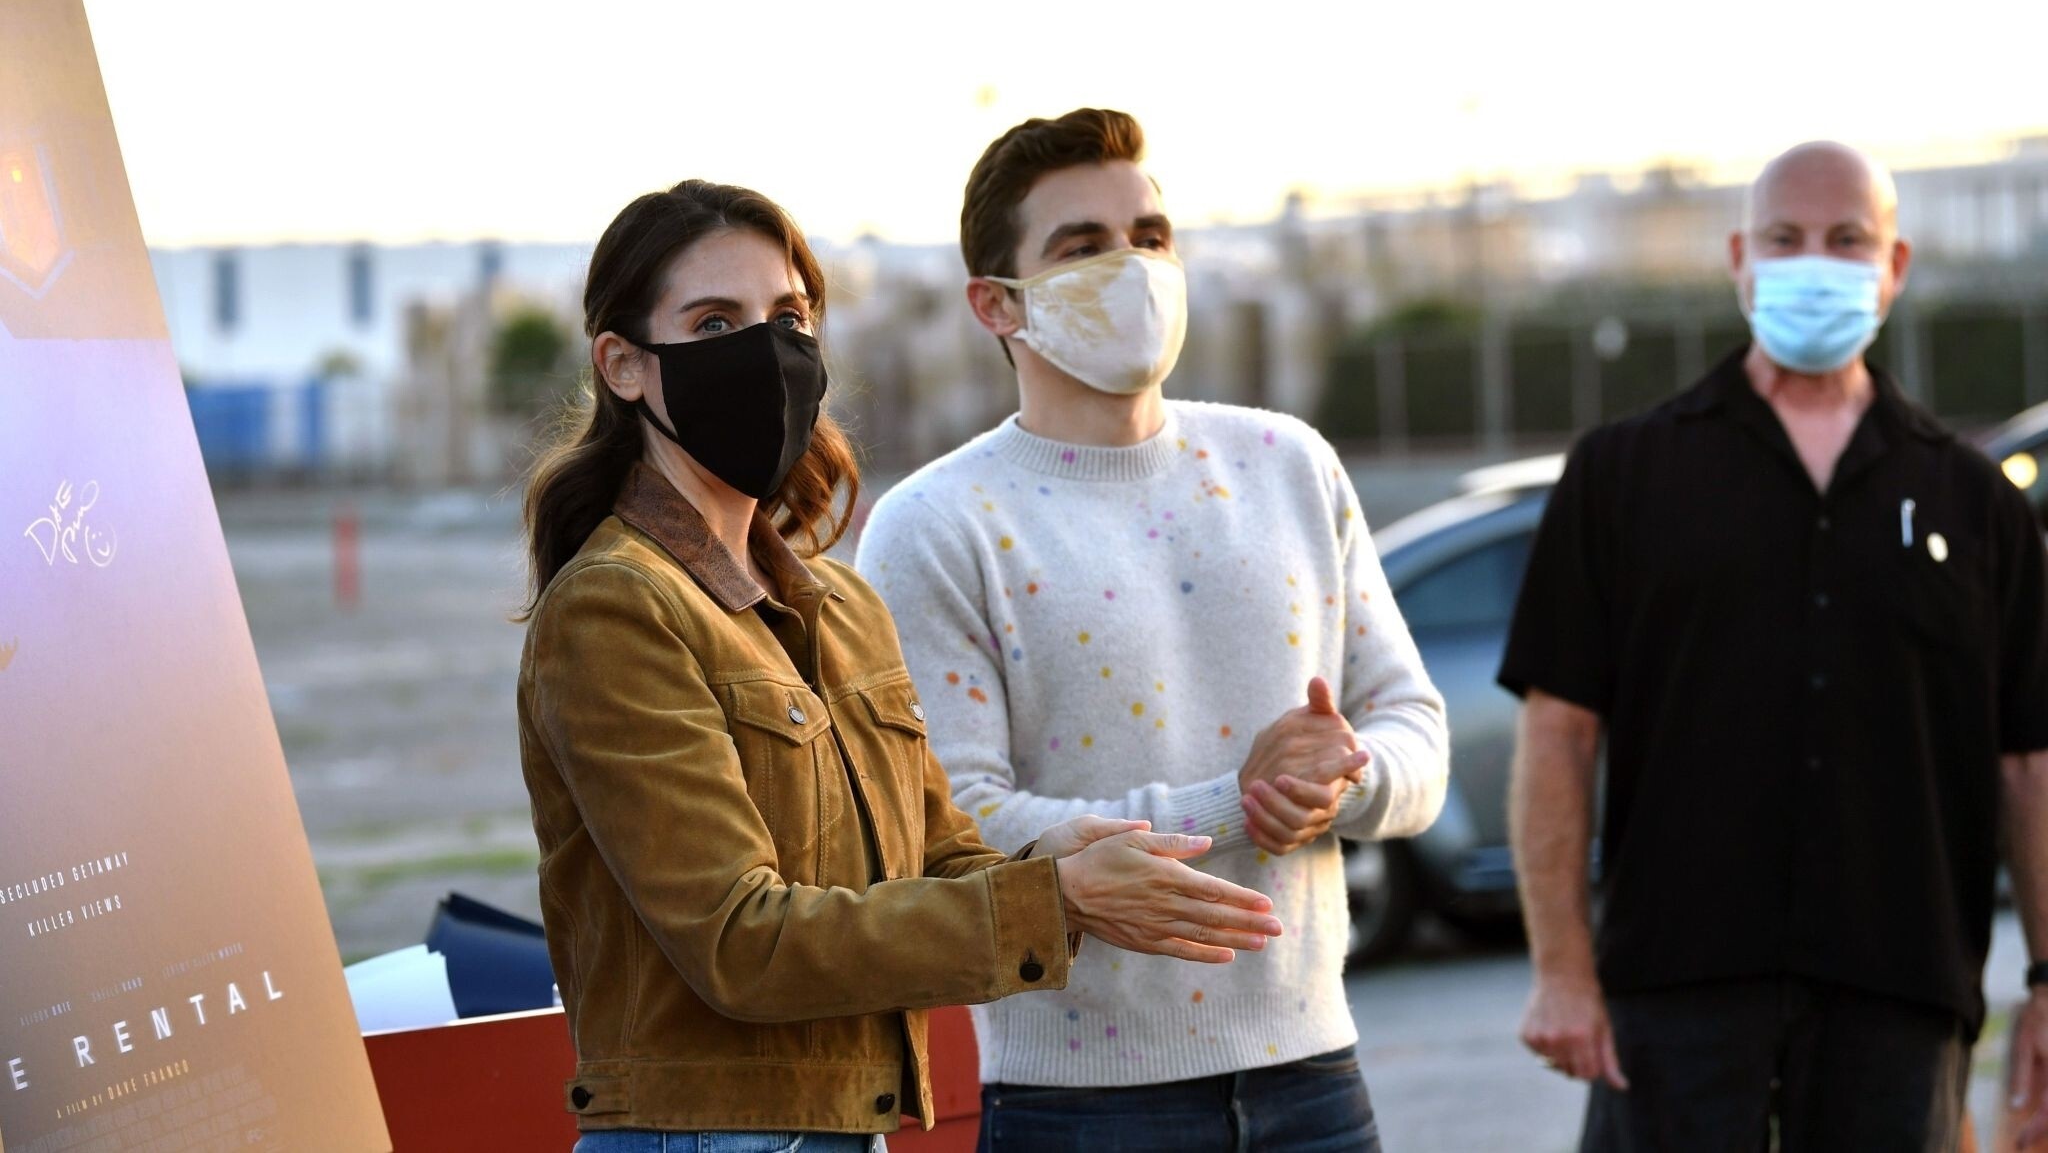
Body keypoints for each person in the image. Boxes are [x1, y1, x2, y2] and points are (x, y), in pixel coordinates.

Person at [515, 179, 1283, 1152]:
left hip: (846, 1129)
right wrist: (1054, 899)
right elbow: (739, 942)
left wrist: (1060, 862)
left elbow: (932, 860)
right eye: (714, 322)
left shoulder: (840, 607)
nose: (764, 350)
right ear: (623, 365)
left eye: (788, 317)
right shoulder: (616, 607)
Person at [856, 109, 1450, 1152]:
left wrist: (1338, 780)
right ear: (996, 303)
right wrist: (1239, 803)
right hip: (1077, 1106)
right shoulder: (937, 524)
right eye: (1082, 246)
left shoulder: (1290, 465)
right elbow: (951, 825)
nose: (1131, 267)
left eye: (1150, 235)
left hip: (1315, 1080)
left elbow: (1414, 729)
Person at [1500, 141, 2048, 1152]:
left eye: (1847, 239)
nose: (1813, 262)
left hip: (1900, 989)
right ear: (1738, 259)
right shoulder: (1623, 475)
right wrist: (1562, 968)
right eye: (1784, 238)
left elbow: (2027, 762)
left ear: (1894, 265)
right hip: (1674, 988)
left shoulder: (1973, 502)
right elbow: (1558, 734)